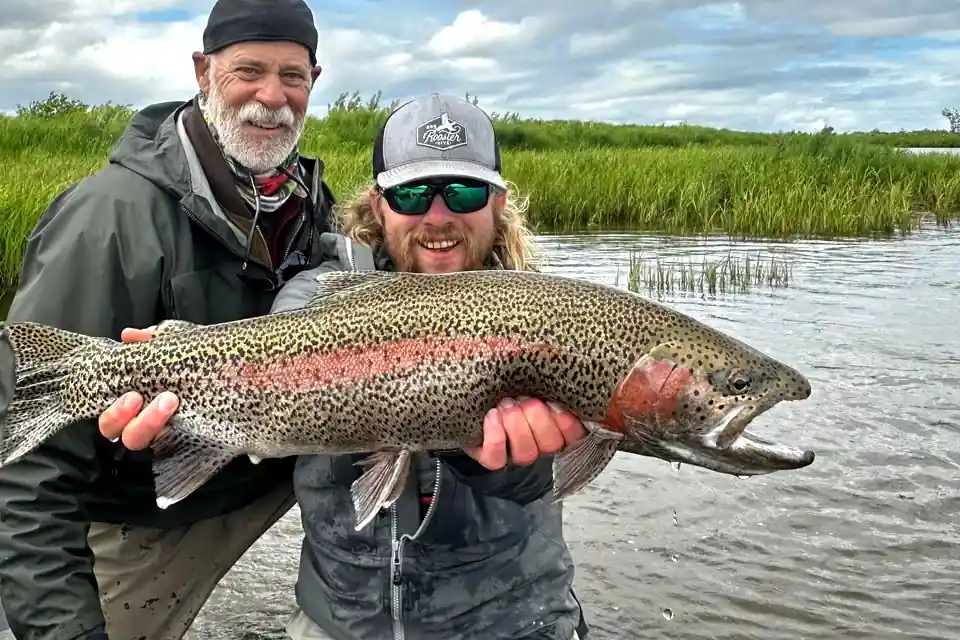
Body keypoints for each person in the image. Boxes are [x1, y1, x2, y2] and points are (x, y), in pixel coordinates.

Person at [100, 95, 594, 639]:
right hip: (340, 623)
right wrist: (169, 381)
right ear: (378, 206)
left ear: (497, 203)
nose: (438, 216)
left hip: (513, 622)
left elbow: (550, 480)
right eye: (410, 194)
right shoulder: (316, 292)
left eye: (463, 191)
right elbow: (267, 364)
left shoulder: (549, 314)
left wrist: (482, 455)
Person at [0, 0, 337, 638]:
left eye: (292, 76)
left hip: (263, 465)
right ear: (203, 71)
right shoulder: (108, 219)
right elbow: (26, 473)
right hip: (142, 516)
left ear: (314, 82)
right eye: (249, 71)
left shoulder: (307, 205)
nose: (273, 96)